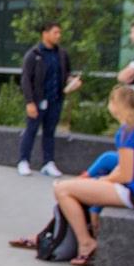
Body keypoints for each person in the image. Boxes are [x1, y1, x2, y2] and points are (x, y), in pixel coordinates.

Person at [11, 87, 134, 266]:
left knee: (62, 189)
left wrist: (101, 182)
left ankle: (86, 242)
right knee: (76, 187)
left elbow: (125, 174)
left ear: (116, 105)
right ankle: (52, 236)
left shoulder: (127, 131)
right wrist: (99, 183)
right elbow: (125, 168)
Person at [17, 22, 84, 177]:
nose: (58, 36)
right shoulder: (34, 54)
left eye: (59, 33)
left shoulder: (62, 54)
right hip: (37, 100)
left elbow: (66, 74)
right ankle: (23, 160)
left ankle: (48, 163)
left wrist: (72, 82)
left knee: (50, 131)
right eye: (55, 32)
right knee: (31, 130)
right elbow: (26, 79)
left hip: (55, 100)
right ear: (45, 33)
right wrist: (29, 102)